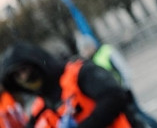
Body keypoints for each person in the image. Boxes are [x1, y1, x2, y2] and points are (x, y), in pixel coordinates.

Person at [0, 42, 139, 128]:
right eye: (17, 76)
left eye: (24, 70)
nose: (24, 78)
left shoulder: (78, 73)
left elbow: (115, 96)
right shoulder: (40, 108)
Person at [74, 37, 157, 128]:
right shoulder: (92, 61)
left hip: (121, 90)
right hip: (116, 92)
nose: (83, 54)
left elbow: (122, 68)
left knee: (138, 114)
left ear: (90, 47)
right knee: (134, 116)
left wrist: (125, 87)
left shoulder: (106, 51)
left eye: (84, 50)